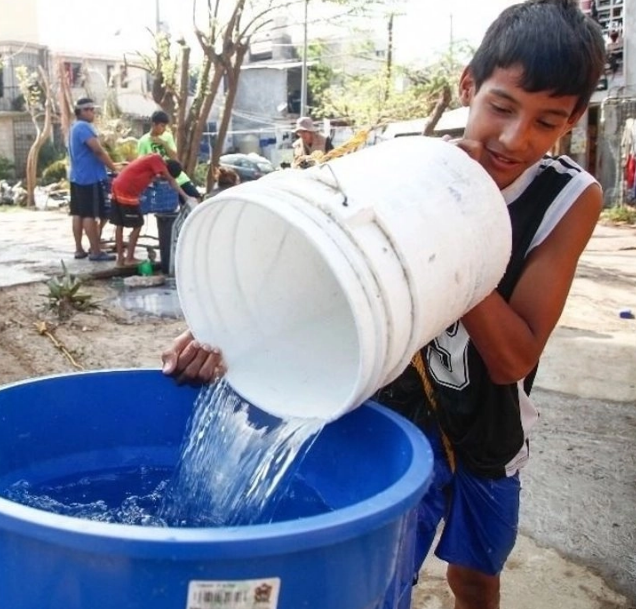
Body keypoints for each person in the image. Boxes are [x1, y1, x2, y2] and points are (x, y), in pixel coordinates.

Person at [161, 2, 606, 607]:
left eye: (547, 122)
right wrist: (224, 332)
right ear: (469, 87)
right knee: (382, 579)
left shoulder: (567, 197)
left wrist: (458, 231)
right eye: (501, 107)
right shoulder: (403, 169)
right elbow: (300, 270)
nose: (514, 138)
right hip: (395, 416)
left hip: (490, 426)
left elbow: (513, 360)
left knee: (476, 576)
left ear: (573, 120)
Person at [110, 156, 187, 267]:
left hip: (117, 186)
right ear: (166, 168)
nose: (162, 177)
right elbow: (171, 180)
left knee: (120, 224)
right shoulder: (157, 160)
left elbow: (149, 176)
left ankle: (120, 259)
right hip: (127, 191)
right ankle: (129, 258)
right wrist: (185, 196)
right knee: (138, 225)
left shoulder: (151, 161)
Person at [69, 97, 118, 262]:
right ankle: (96, 251)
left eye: (93, 109)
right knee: (90, 214)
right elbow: (98, 150)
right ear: (80, 111)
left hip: (77, 176)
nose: (92, 112)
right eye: (88, 109)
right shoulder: (83, 127)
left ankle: (79, 249)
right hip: (90, 177)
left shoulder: (73, 127)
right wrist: (114, 168)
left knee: (78, 213)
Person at [137, 110, 199, 202]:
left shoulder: (167, 137)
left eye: (165, 126)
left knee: (196, 198)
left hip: (178, 177)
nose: (164, 129)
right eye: (162, 126)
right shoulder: (143, 141)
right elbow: (141, 163)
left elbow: (174, 157)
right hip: (162, 181)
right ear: (154, 124)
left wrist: (164, 143)